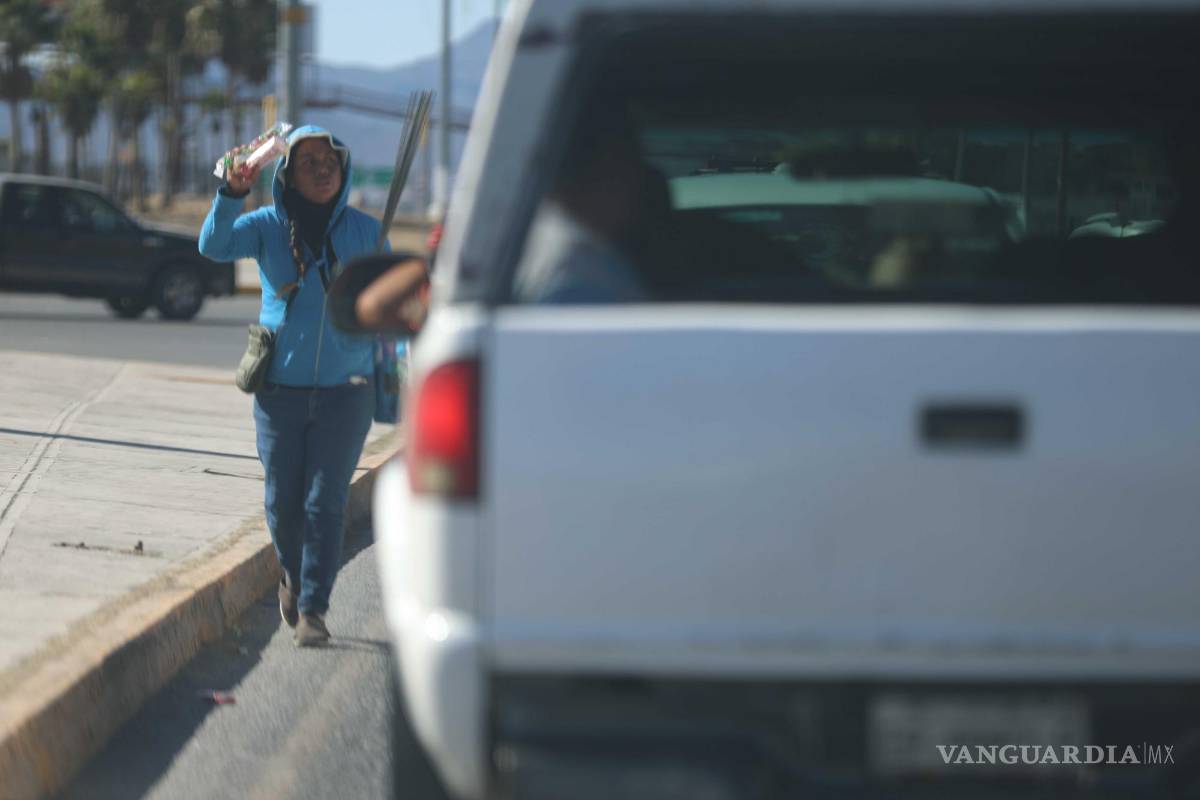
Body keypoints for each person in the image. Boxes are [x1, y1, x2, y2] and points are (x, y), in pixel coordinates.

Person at [199, 125, 383, 647]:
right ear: (288, 174)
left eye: (331, 160)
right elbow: (213, 246)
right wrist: (231, 193)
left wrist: (394, 375)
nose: (323, 169)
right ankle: (293, 575)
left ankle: (313, 609)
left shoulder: (368, 233)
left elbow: (391, 310)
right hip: (279, 389)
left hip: (349, 390)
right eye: (310, 162)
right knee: (283, 502)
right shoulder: (265, 226)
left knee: (325, 502)